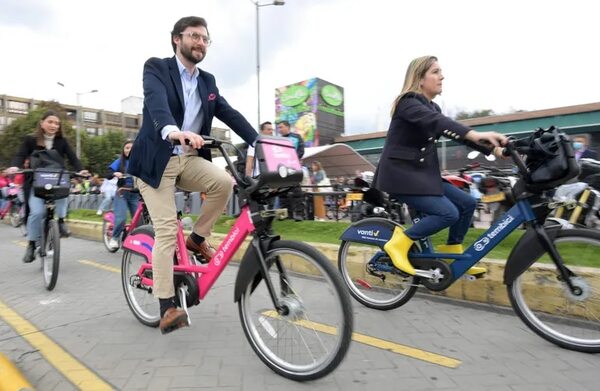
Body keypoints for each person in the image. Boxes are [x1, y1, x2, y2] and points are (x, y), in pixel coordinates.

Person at [127, 16, 258, 334]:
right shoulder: (157, 68)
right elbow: (156, 104)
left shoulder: (208, 81)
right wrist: (174, 132)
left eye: (205, 38)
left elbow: (228, 113)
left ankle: (198, 239)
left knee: (223, 182)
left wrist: (259, 140)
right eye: (194, 36)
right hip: (156, 162)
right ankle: (167, 306)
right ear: (177, 39)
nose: (200, 42)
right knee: (167, 232)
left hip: (187, 159)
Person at [373, 55, 507, 277]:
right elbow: (439, 123)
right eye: (435, 72)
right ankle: (398, 244)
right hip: (400, 177)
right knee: (448, 214)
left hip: (420, 176)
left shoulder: (431, 106)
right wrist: (474, 133)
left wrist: (495, 150)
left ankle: (452, 250)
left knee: (467, 203)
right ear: (420, 78)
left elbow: (454, 133)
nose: (441, 76)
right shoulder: (407, 102)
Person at [8, 110, 88, 263]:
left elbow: (73, 158)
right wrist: (15, 166)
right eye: (50, 122)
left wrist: (81, 169)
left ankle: (61, 221)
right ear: (42, 123)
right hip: (36, 183)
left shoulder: (62, 142)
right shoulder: (30, 140)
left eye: (57, 123)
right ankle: (31, 244)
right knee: (36, 213)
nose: (54, 125)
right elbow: (19, 155)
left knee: (63, 193)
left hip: (57, 181)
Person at [106, 140, 138, 250]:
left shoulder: (141, 163)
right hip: (122, 193)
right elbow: (108, 173)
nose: (129, 150)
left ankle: (131, 239)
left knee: (140, 221)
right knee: (121, 218)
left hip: (136, 194)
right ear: (123, 151)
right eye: (127, 148)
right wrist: (115, 173)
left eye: (132, 148)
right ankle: (114, 238)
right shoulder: (120, 162)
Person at [277, 120, 305, 219]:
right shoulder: (277, 140)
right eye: (278, 127)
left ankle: (299, 214)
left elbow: (301, 151)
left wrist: (292, 161)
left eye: (281, 127)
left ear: (287, 127)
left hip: (294, 168)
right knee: (282, 193)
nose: (279, 129)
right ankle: (285, 215)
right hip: (281, 169)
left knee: (297, 191)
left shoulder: (296, 137)